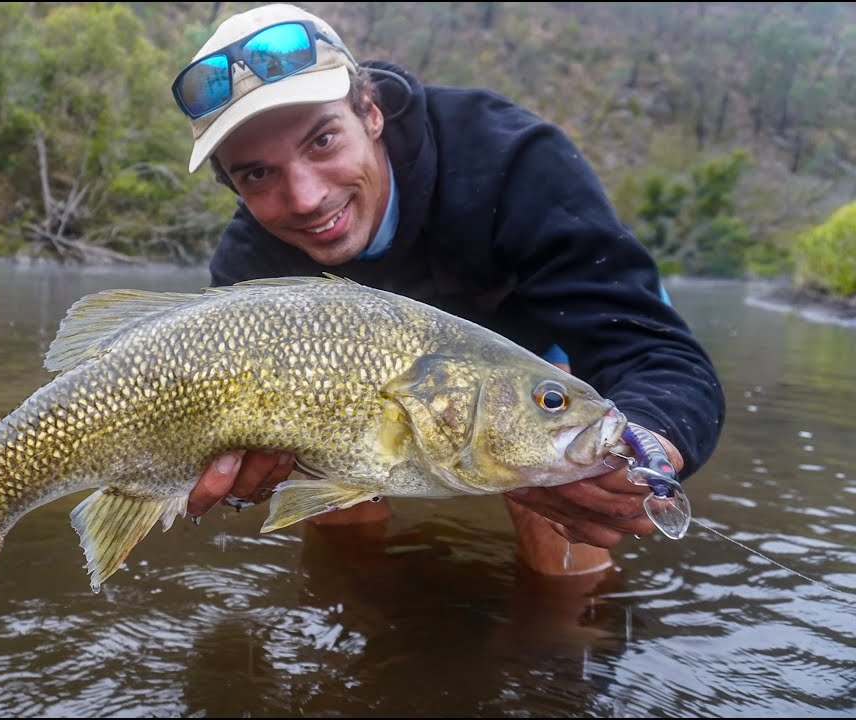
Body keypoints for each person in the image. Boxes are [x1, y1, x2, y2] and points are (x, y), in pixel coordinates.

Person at [172, 3, 725, 575]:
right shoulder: (249, 267)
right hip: (351, 402)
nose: (306, 196)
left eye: (323, 142)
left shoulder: (514, 162)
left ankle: (566, 646)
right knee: (321, 476)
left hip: (526, 369)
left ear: (371, 112)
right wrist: (239, 481)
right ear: (233, 186)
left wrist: (647, 449)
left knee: (558, 481)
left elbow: (657, 353)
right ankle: (365, 633)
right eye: (257, 174)